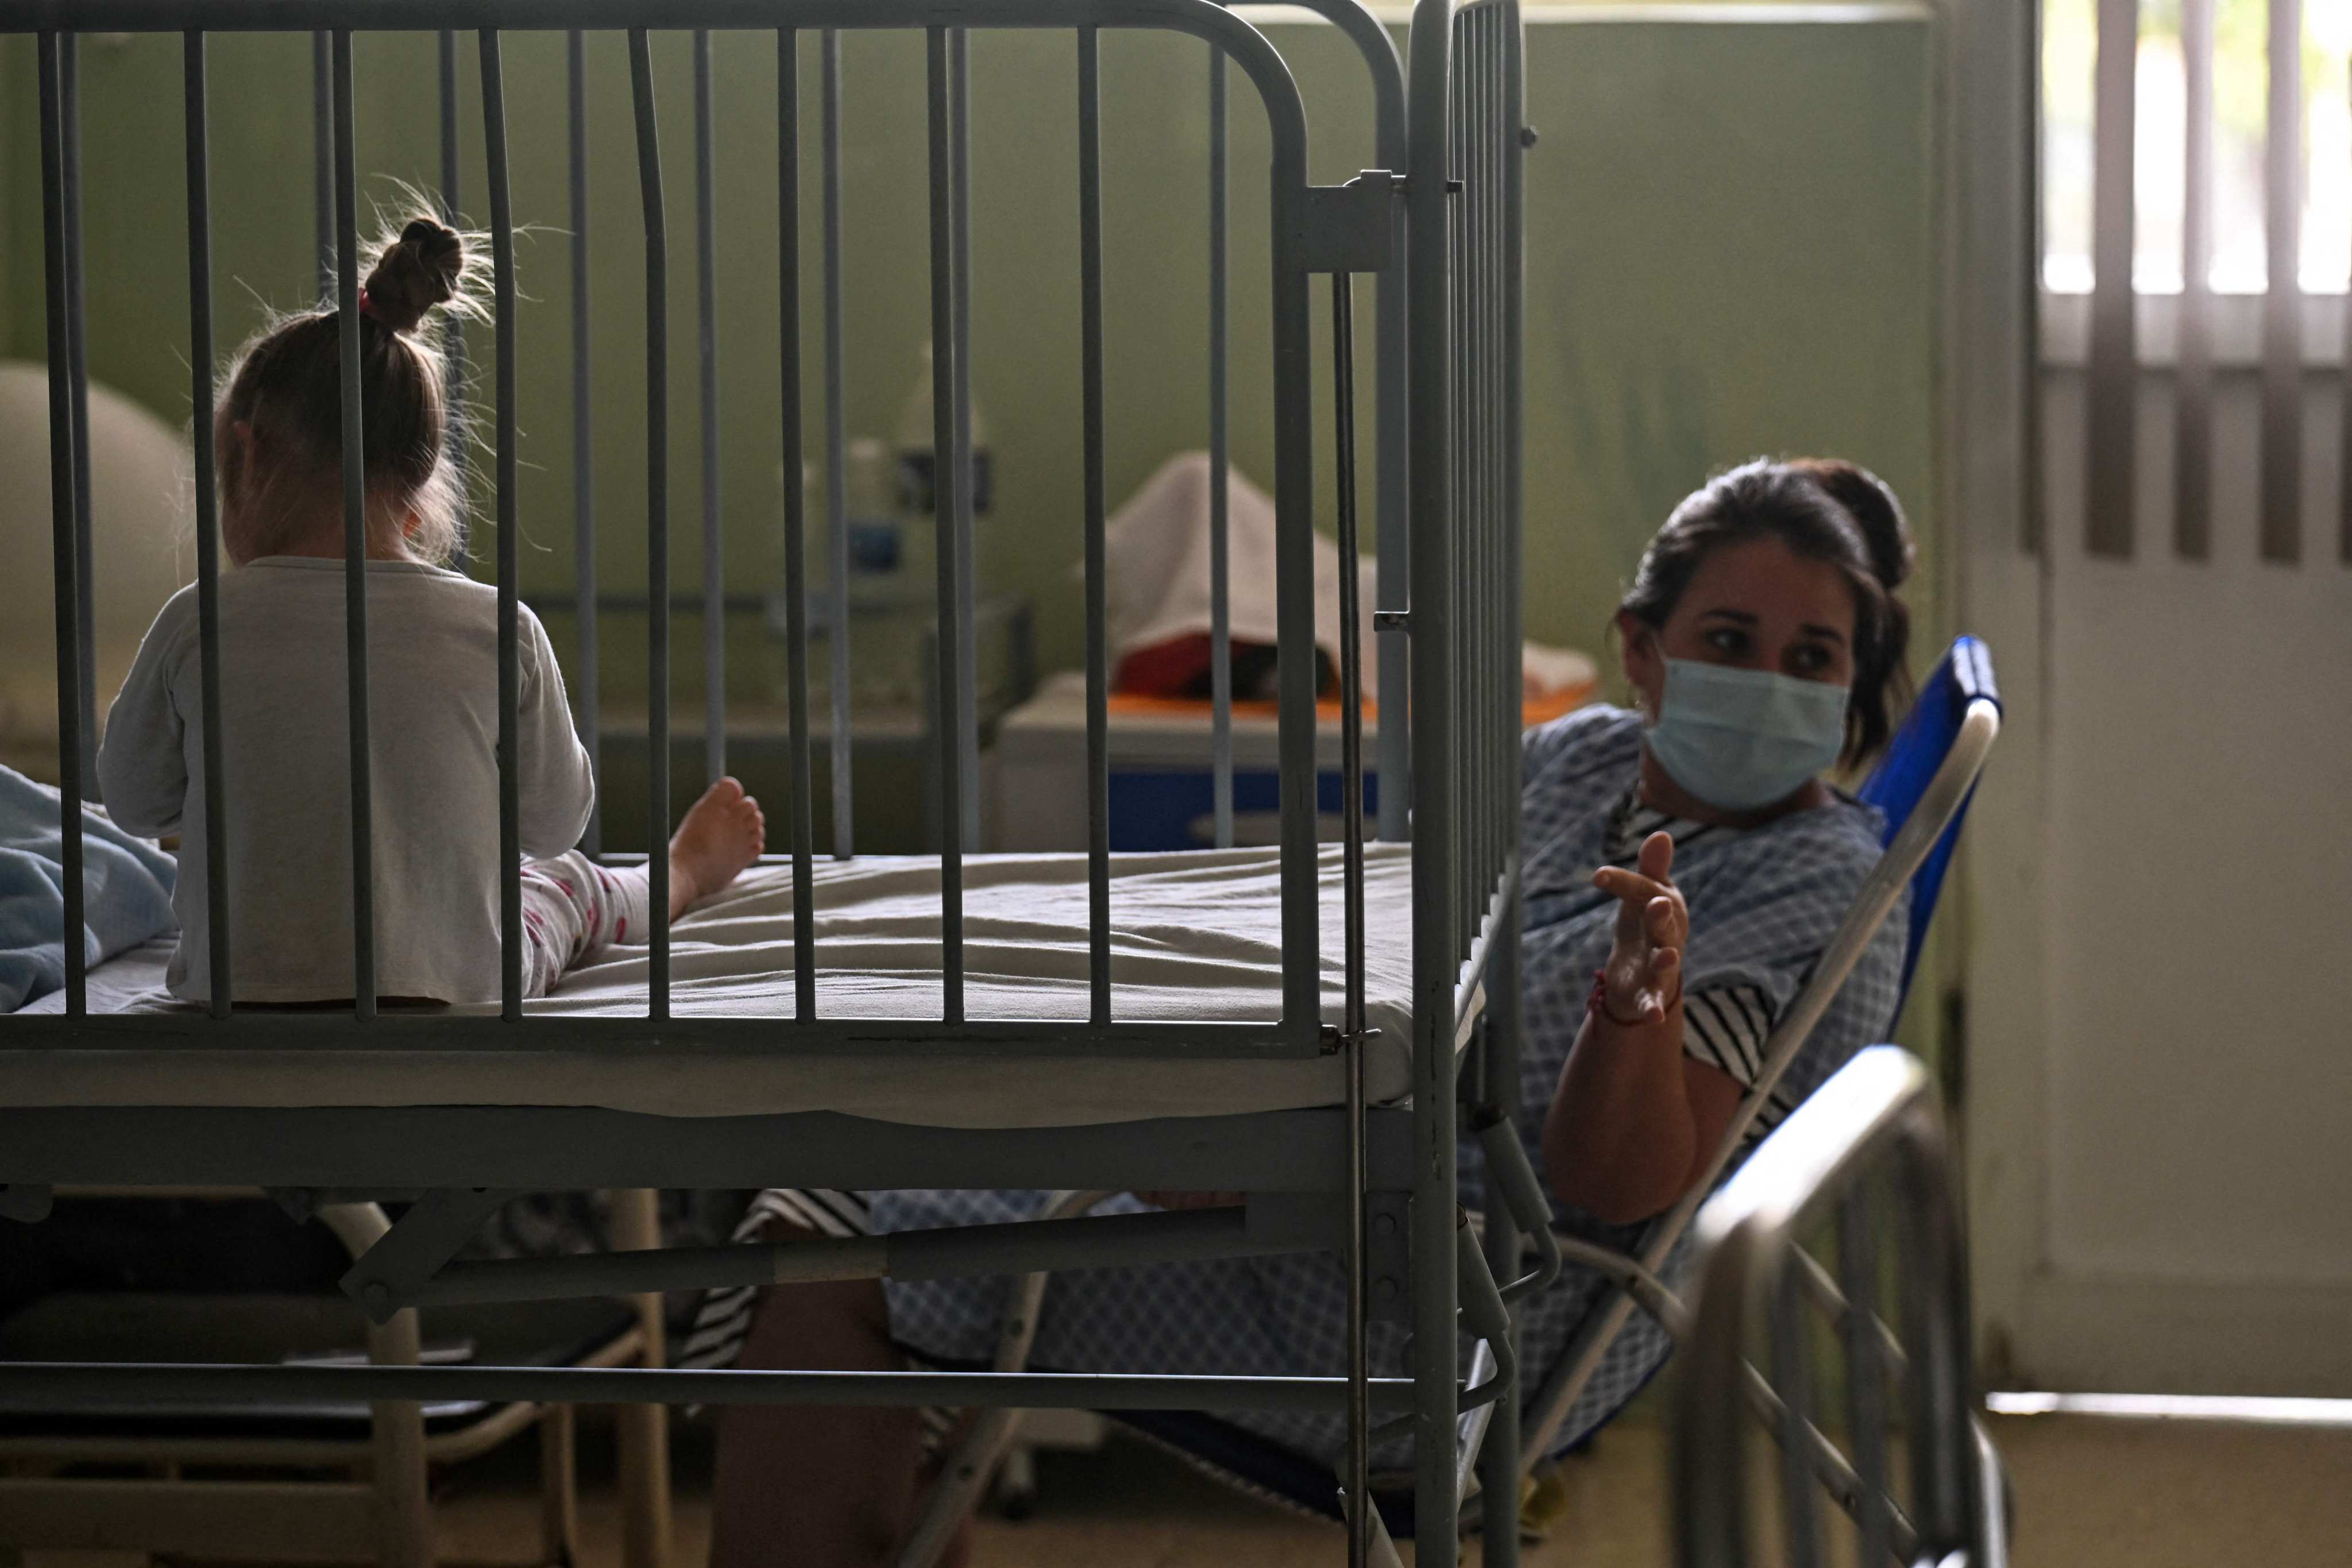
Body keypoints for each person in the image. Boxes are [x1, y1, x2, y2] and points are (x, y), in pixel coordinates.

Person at [692, 457, 1917, 1566]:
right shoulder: (1577, 759)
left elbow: (1617, 1183)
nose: (1767, 682)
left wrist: (1633, 1012)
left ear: (1853, 686)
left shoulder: (1810, 883)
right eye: (1728, 639)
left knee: (829, 1249)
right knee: (884, 1163)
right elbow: (1397, 962)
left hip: (1435, 1310)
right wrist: (1240, 1116)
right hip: (1336, 1183)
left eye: (1811, 659)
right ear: (1642, 650)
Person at [97, 217, 763, 1006]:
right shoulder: (498, 628)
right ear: (419, 490)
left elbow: (132, 802)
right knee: (561, 879)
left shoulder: (198, 619)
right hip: (456, 998)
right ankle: (680, 872)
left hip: (236, 1000)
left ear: (244, 452)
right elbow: (555, 822)